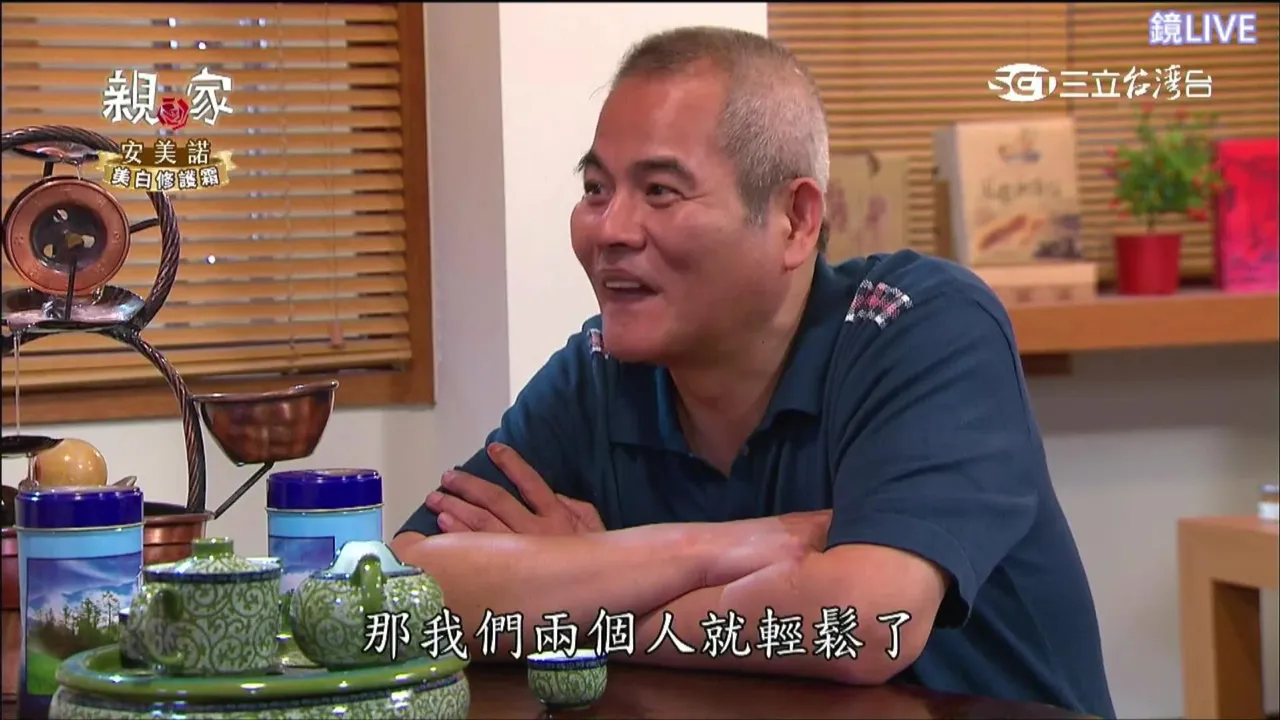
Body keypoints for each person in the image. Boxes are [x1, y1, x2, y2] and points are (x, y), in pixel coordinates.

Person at [391, 26, 1115, 720]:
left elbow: (866, 623)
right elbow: (399, 595)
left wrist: (571, 594)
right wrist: (703, 549)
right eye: (595, 188)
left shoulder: (919, 326)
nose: (609, 229)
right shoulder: (597, 374)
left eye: (660, 191)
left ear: (795, 219)